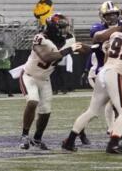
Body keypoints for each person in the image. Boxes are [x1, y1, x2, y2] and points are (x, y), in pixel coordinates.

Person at [63, 11, 122, 153]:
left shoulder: (115, 35)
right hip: (118, 74)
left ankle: (70, 140)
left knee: (92, 111)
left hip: (104, 72)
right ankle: (113, 143)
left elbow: (103, 52)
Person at [18, 13, 74, 150]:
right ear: (53, 28)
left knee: (46, 111)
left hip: (44, 79)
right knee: (32, 101)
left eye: (66, 27)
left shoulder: (69, 39)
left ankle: (37, 138)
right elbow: (45, 57)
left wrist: (93, 48)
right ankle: (24, 135)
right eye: (62, 28)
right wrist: (65, 51)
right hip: (29, 76)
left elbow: (79, 48)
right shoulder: (40, 38)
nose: (65, 31)